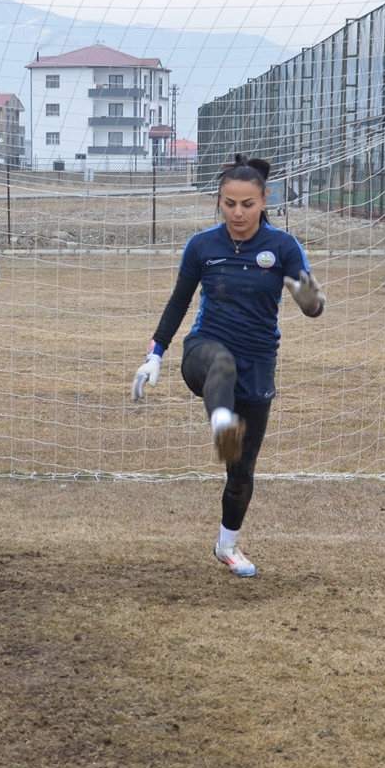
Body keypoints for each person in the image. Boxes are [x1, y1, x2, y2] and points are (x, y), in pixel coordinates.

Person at [131, 153, 325, 578]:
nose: (238, 213)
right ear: (219, 201)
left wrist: (312, 301)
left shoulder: (283, 246)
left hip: (258, 364)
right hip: (204, 352)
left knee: (241, 471)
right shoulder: (202, 246)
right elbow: (178, 303)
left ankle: (227, 545)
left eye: (247, 205)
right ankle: (221, 422)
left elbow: (311, 302)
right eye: (229, 204)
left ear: (263, 200)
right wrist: (155, 355)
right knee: (221, 363)